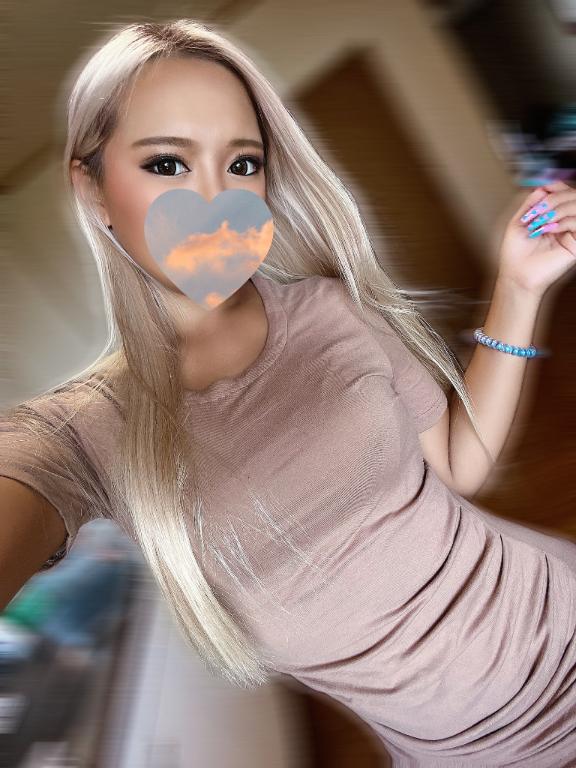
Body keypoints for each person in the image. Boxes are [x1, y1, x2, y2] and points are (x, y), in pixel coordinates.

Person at [1, 18, 576, 767]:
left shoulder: (332, 311)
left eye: (242, 163)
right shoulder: (76, 435)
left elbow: (459, 466)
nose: (216, 197)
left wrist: (520, 287)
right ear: (93, 188)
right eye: (168, 163)